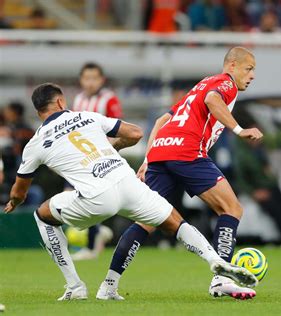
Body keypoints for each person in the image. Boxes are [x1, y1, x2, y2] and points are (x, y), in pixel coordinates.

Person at [4, 83, 257, 301]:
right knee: (175, 222)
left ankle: (75, 287)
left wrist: (14, 201)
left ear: (38, 111)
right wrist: (112, 147)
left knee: (42, 215)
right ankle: (214, 259)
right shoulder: (87, 116)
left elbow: (20, 188)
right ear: (60, 101)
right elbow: (135, 133)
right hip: (127, 182)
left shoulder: (36, 142)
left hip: (95, 198)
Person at [106, 46, 263, 300]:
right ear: (232, 66)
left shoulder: (200, 85)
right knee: (231, 209)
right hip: (187, 151)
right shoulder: (226, 83)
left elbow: (160, 121)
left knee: (146, 221)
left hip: (160, 151)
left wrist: (147, 159)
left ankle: (109, 286)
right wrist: (239, 129)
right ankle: (221, 280)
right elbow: (213, 101)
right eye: (249, 68)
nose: (252, 75)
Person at [70, 62, 122, 261]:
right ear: (81, 80)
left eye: (94, 78)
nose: (90, 82)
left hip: (105, 158)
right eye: (86, 78)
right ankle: (97, 233)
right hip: (83, 158)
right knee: (80, 196)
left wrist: (108, 151)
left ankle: (92, 243)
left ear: (102, 80)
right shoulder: (79, 99)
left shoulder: (109, 99)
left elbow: (119, 128)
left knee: (91, 197)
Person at [233, 128, 281, 245]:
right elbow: (240, 179)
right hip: (259, 190)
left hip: (271, 187)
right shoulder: (242, 156)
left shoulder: (259, 153)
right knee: (278, 212)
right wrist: (253, 192)